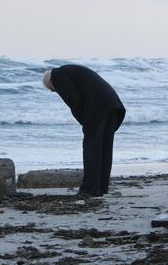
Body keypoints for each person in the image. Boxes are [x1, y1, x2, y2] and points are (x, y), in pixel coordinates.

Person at [43, 65, 126, 197]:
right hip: (112, 104)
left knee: (91, 148)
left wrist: (85, 121)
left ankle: (89, 189)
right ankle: (101, 188)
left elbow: (73, 100)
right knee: (104, 149)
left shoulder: (57, 75)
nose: (56, 92)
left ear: (50, 82)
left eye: (53, 90)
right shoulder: (70, 71)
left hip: (98, 107)